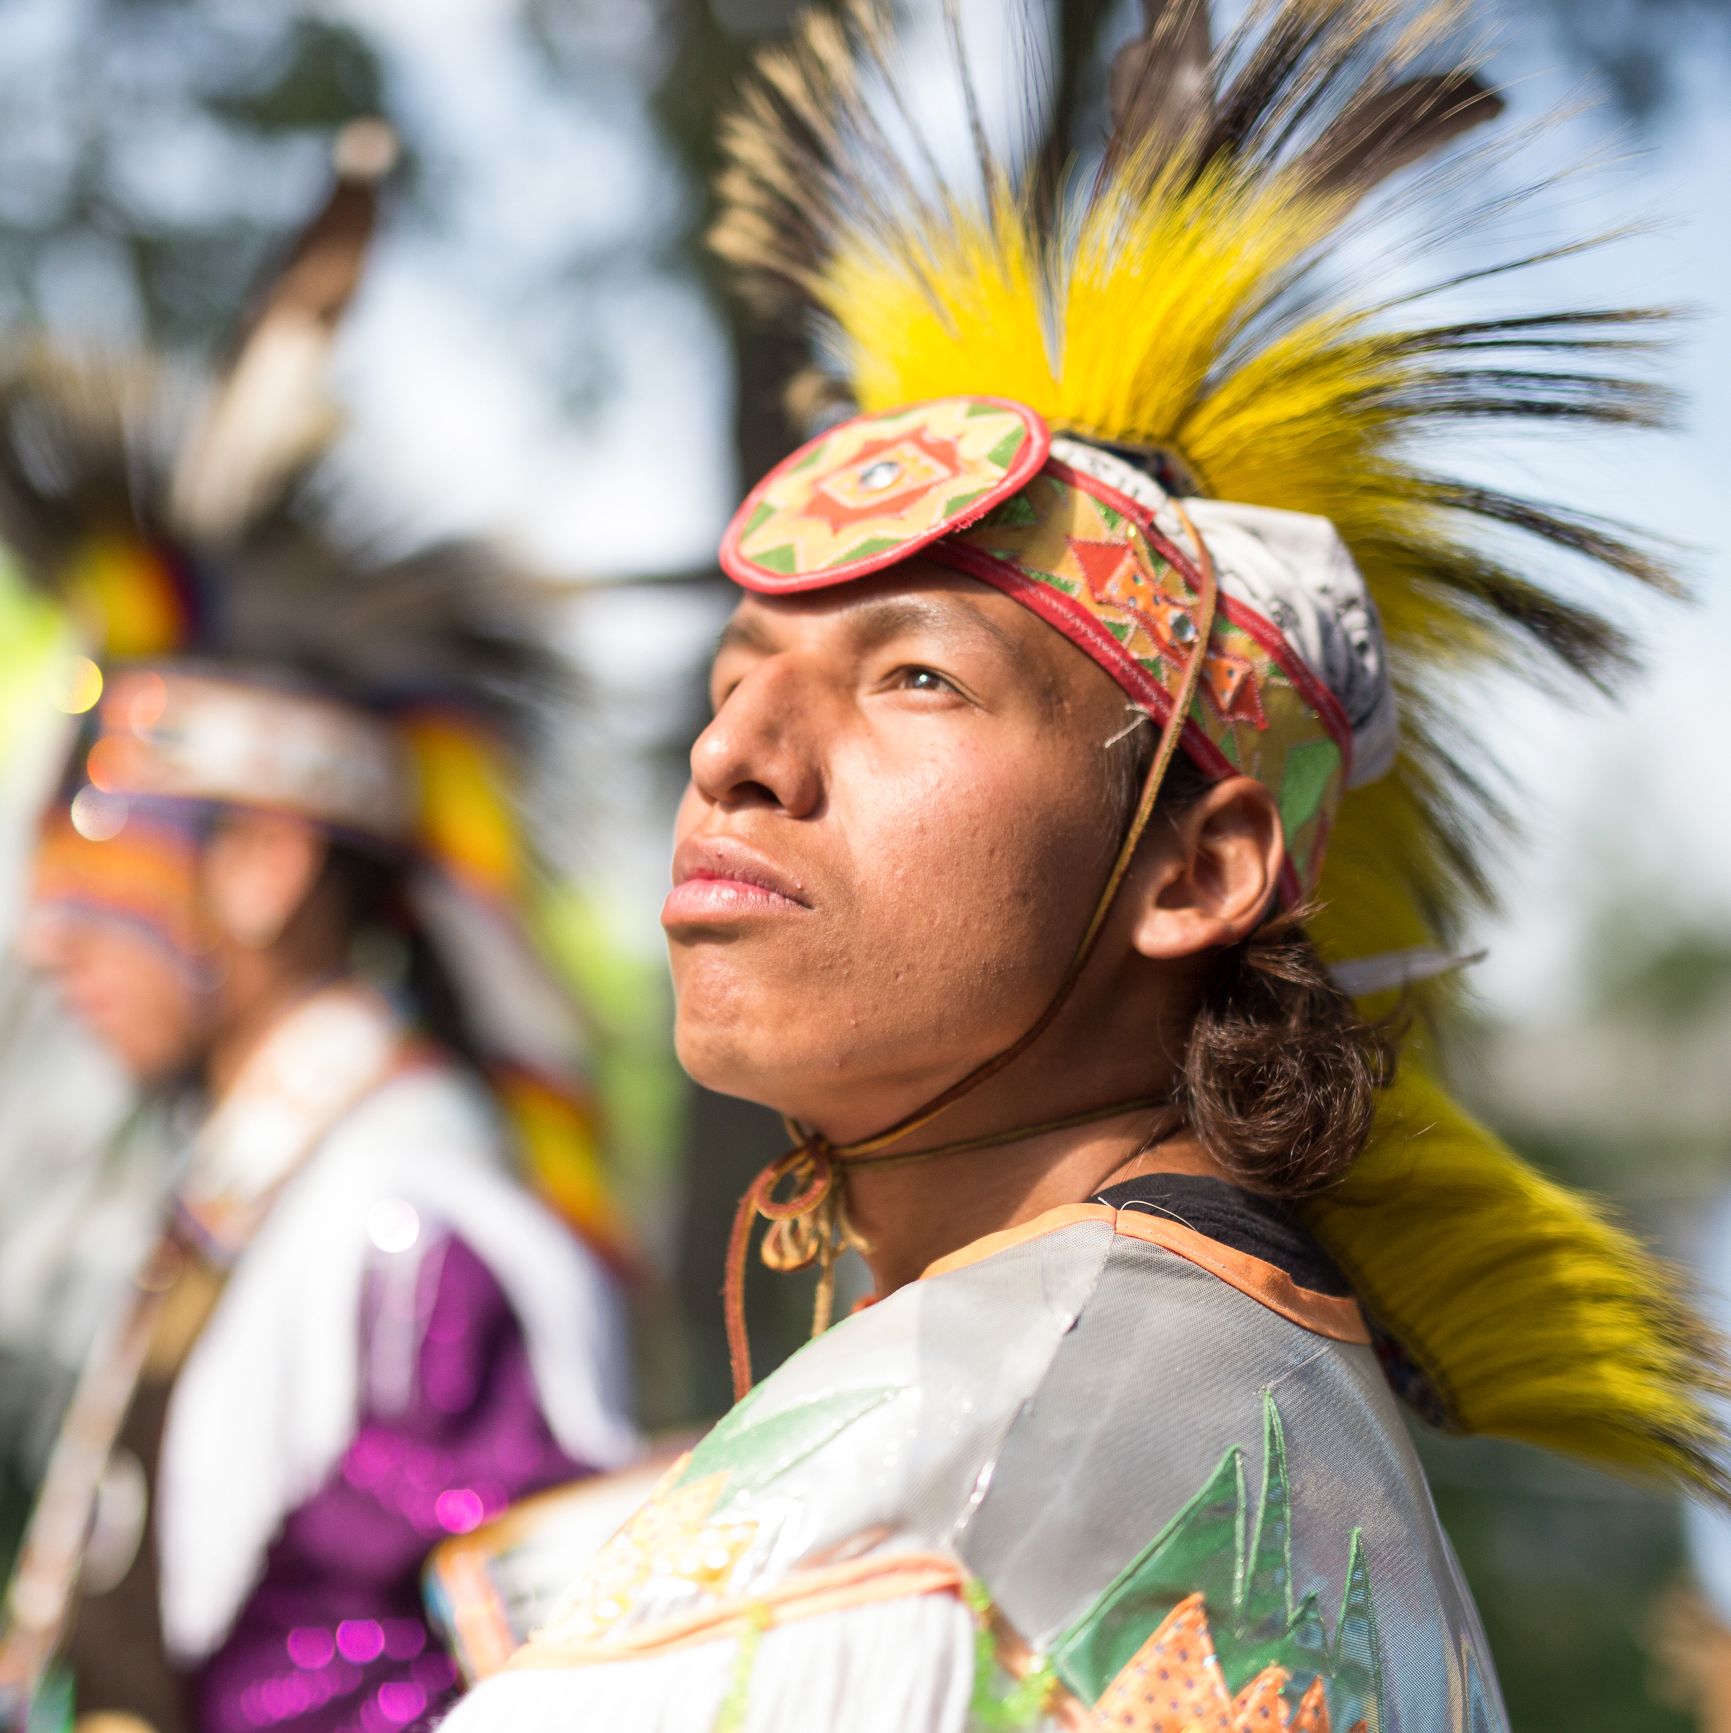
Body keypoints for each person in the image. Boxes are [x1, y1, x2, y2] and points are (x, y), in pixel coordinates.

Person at [442, 2, 1723, 1729]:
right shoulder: (1205, 1378)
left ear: (1195, 867)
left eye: (914, 676)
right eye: (740, 672)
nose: (731, 749)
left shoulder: (958, 1494)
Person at [0, 125, 637, 1733]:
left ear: (271, 861)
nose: (44, 920)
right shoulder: (260, 1199)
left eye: (93, 847)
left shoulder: (414, 1234)